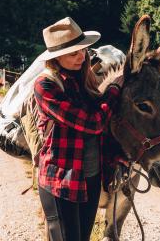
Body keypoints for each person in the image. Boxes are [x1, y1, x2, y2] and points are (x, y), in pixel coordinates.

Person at [33, 17, 123, 241]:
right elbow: (92, 123)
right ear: (56, 57)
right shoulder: (46, 85)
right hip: (60, 180)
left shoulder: (85, 80)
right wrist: (113, 89)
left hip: (90, 178)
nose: (81, 57)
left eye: (83, 50)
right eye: (74, 53)